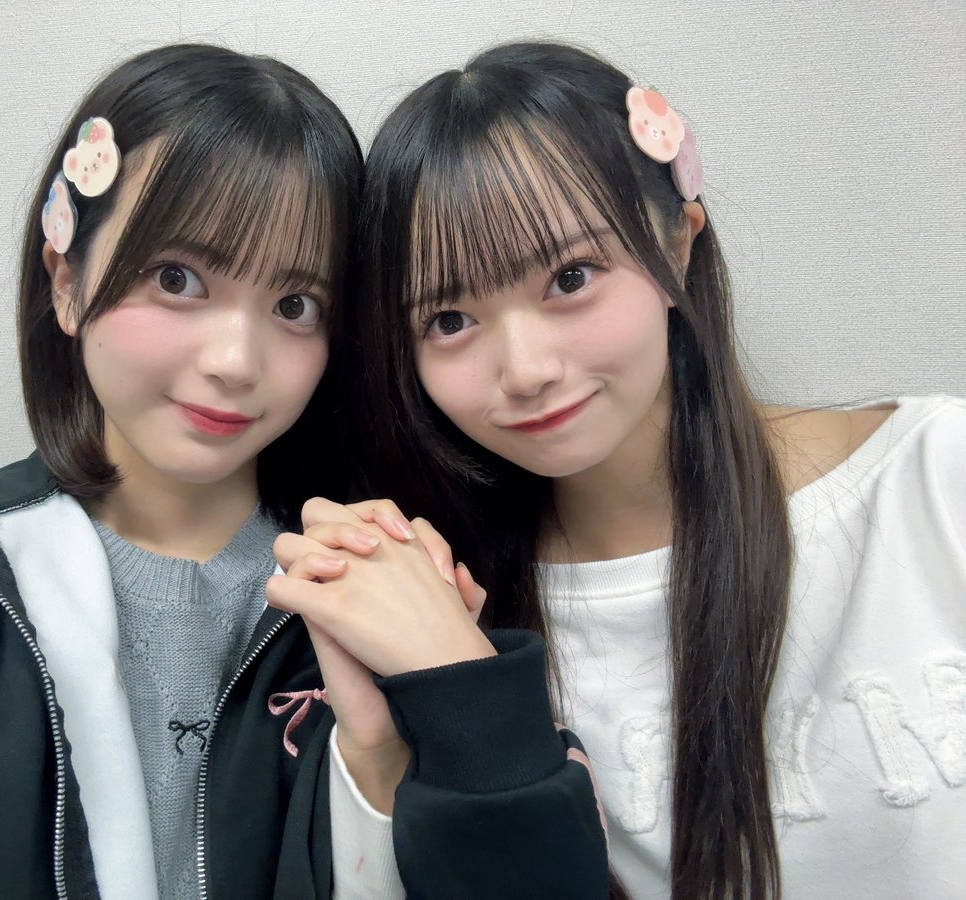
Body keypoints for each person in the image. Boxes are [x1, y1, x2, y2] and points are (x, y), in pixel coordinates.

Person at [269, 41, 966, 898]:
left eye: (571, 276)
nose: (526, 370)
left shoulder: (937, 476)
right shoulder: (454, 599)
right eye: (449, 320)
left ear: (677, 243)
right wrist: (387, 742)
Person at [0, 42, 401, 899]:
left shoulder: (376, 599)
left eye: (295, 304)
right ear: (66, 281)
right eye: (177, 278)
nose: (235, 361)